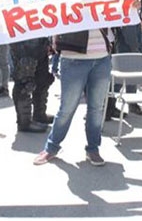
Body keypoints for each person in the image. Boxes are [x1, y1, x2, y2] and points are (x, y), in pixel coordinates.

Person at [33, 28, 113, 167]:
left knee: (96, 109)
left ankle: (93, 148)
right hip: (73, 56)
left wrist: (131, 7)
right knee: (67, 109)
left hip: (102, 57)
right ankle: (51, 147)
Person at [10, 37, 56, 133]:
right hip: (23, 41)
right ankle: (24, 122)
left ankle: (39, 114)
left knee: (42, 79)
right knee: (25, 82)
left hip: (40, 38)